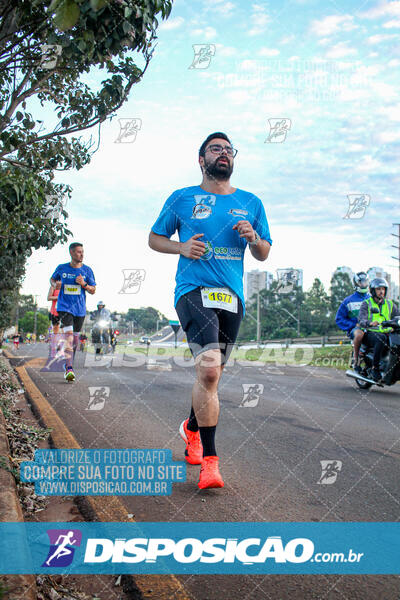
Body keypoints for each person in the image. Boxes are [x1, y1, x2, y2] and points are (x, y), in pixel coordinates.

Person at [149, 132, 272, 489]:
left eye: (228, 149)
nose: (223, 153)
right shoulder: (182, 198)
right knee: (210, 371)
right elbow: (154, 239)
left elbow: (264, 252)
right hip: (193, 290)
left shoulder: (251, 202)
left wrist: (253, 238)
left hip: (232, 298)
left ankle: (191, 428)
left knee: (211, 377)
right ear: (201, 159)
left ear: (233, 159)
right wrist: (181, 247)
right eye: (215, 149)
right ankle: (211, 463)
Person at [50, 242, 96, 381]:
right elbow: (52, 280)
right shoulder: (62, 268)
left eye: (82, 252)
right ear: (71, 253)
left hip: (80, 310)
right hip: (64, 307)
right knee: (69, 335)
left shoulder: (87, 271)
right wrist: (55, 285)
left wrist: (84, 284)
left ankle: (68, 362)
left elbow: (93, 290)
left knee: (75, 339)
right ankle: (69, 369)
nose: (81, 254)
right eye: (78, 252)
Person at [358, 278, 400, 382]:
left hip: (388, 332)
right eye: (378, 289)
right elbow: (361, 320)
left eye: (383, 289)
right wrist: (370, 323)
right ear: (373, 291)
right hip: (371, 333)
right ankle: (374, 368)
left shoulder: (390, 304)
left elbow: (398, 316)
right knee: (381, 338)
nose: (382, 291)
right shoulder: (366, 304)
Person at [335, 272, 370, 373]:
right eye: (361, 282)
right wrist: (353, 325)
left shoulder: (372, 299)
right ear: (356, 283)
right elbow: (339, 319)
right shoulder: (348, 301)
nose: (363, 284)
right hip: (356, 329)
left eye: (365, 282)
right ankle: (356, 360)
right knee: (359, 334)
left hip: (371, 328)